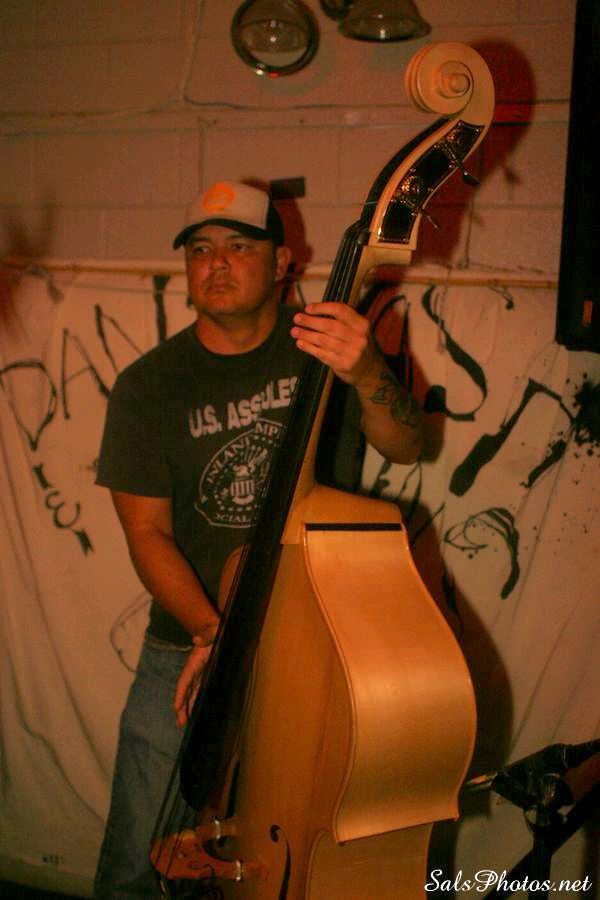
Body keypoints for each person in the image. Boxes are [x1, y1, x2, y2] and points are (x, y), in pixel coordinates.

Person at [93, 180, 423, 898]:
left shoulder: (331, 346)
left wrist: (367, 369)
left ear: (282, 263)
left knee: (296, 855)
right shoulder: (148, 386)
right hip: (188, 645)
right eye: (200, 249)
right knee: (136, 861)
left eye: (239, 246)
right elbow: (146, 533)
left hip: (314, 645)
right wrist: (214, 632)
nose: (216, 263)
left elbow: (407, 443)